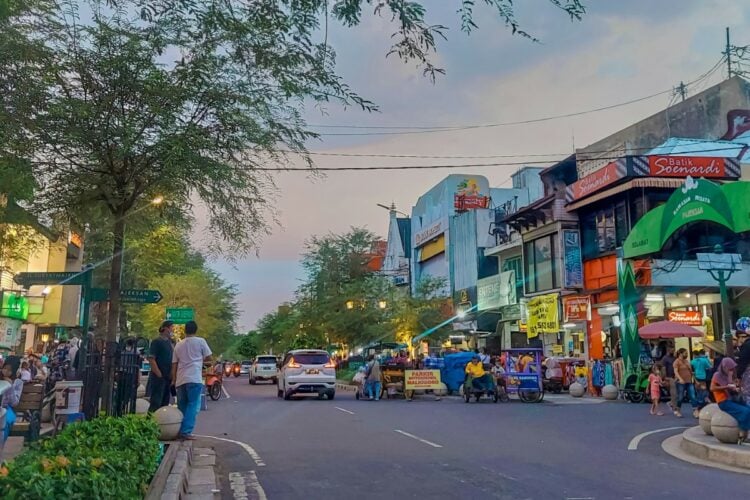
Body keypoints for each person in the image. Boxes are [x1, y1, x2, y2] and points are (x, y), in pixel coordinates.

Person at [171, 320, 212, 440]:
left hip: (181, 379)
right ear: (196, 330)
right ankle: (186, 431)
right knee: (193, 405)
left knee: (182, 406)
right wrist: (201, 362)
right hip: (194, 378)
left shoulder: (178, 345)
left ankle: (179, 430)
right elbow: (209, 358)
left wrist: (173, 380)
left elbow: (174, 364)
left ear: (185, 331)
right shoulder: (200, 341)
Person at [710, 358, 750, 444]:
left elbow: (731, 387)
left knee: (748, 407)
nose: (732, 370)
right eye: (730, 368)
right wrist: (726, 387)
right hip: (723, 401)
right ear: (724, 367)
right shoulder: (717, 375)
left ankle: (746, 432)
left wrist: (736, 388)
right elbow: (712, 388)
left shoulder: (729, 375)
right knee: (745, 411)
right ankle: (742, 434)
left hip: (731, 398)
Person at [148, 320, 175, 413]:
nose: (173, 330)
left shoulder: (170, 343)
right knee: (156, 402)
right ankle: (150, 422)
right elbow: (151, 358)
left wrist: (172, 373)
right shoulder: (156, 342)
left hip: (167, 377)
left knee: (165, 401)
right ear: (165, 328)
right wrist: (158, 373)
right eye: (171, 327)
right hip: (158, 377)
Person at [1, 361, 24, 442]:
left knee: (5, 422)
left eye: (9, 370)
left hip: (8, 409)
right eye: (4, 368)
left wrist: (9, 386)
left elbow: (14, 403)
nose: (6, 371)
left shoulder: (18, 382)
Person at [673, 348, 699, 418]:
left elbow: (691, 372)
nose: (687, 354)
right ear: (680, 354)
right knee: (680, 397)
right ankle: (678, 410)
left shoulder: (687, 361)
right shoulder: (676, 362)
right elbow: (676, 372)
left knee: (693, 396)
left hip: (689, 381)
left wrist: (695, 380)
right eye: (685, 353)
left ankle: (695, 411)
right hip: (680, 382)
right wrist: (680, 379)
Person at [661, 346, 677, 411]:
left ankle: (671, 403)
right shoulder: (665, 358)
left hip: (674, 377)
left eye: (674, 350)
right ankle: (674, 406)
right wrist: (664, 377)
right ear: (668, 350)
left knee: (675, 393)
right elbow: (663, 368)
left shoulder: (674, 358)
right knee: (674, 393)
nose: (673, 351)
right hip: (669, 377)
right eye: (672, 350)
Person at [736, 330, 750, 402]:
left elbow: (742, 362)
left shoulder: (746, 346)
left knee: (747, 395)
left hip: (747, 374)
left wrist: (738, 376)